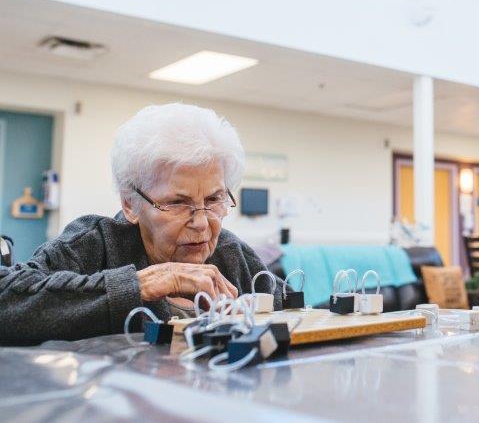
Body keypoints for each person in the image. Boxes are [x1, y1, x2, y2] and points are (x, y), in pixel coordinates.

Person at [0, 103, 284, 343]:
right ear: (129, 204)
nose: (201, 223)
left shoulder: (231, 253)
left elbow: (299, 312)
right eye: (177, 203)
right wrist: (139, 285)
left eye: (213, 200)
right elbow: (7, 301)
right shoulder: (94, 243)